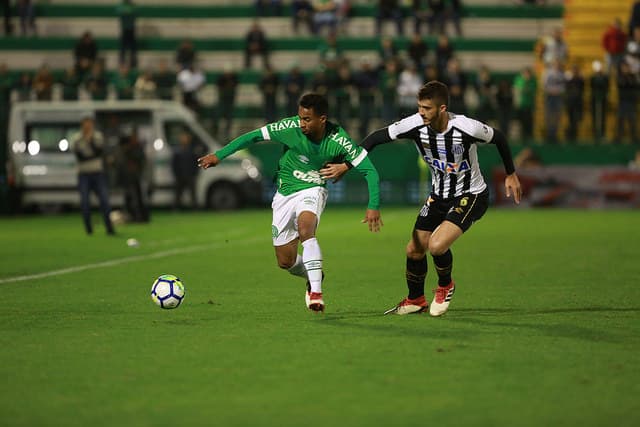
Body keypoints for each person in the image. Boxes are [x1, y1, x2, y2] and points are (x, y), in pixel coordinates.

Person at [320, 81, 521, 316]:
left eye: (426, 108)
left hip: (471, 194)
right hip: (438, 196)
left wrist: (510, 173)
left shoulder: (467, 127)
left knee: (436, 245)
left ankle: (445, 285)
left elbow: (499, 138)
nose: (421, 112)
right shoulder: (415, 124)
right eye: (419, 107)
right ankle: (415, 299)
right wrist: (346, 165)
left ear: (442, 108)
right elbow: (375, 138)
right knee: (414, 250)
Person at [197, 93, 383, 312]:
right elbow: (253, 136)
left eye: (307, 119)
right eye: (300, 117)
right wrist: (220, 155)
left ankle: (316, 292)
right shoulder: (289, 127)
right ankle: (313, 274)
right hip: (284, 193)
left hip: (313, 189)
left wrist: (373, 205)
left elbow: (370, 171)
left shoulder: (338, 139)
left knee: (306, 229)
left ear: (322, 119)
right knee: (285, 261)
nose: (301, 123)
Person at [71, 114, 116, 236]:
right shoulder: (76, 138)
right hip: (84, 173)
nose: (87, 126)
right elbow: (80, 157)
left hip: (97, 173)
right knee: (85, 202)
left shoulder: (97, 136)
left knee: (104, 200)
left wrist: (89, 142)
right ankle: (88, 228)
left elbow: (98, 152)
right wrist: (89, 150)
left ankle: (109, 227)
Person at [116, 0, 137, 68]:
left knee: (132, 49)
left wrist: (127, 12)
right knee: (123, 48)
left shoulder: (132, 5)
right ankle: (122, 63)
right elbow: (119, 12)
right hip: (125, 29)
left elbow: (135, 12)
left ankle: (133, 63)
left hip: (131, 29)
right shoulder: (121, 5)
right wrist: (128, 12)